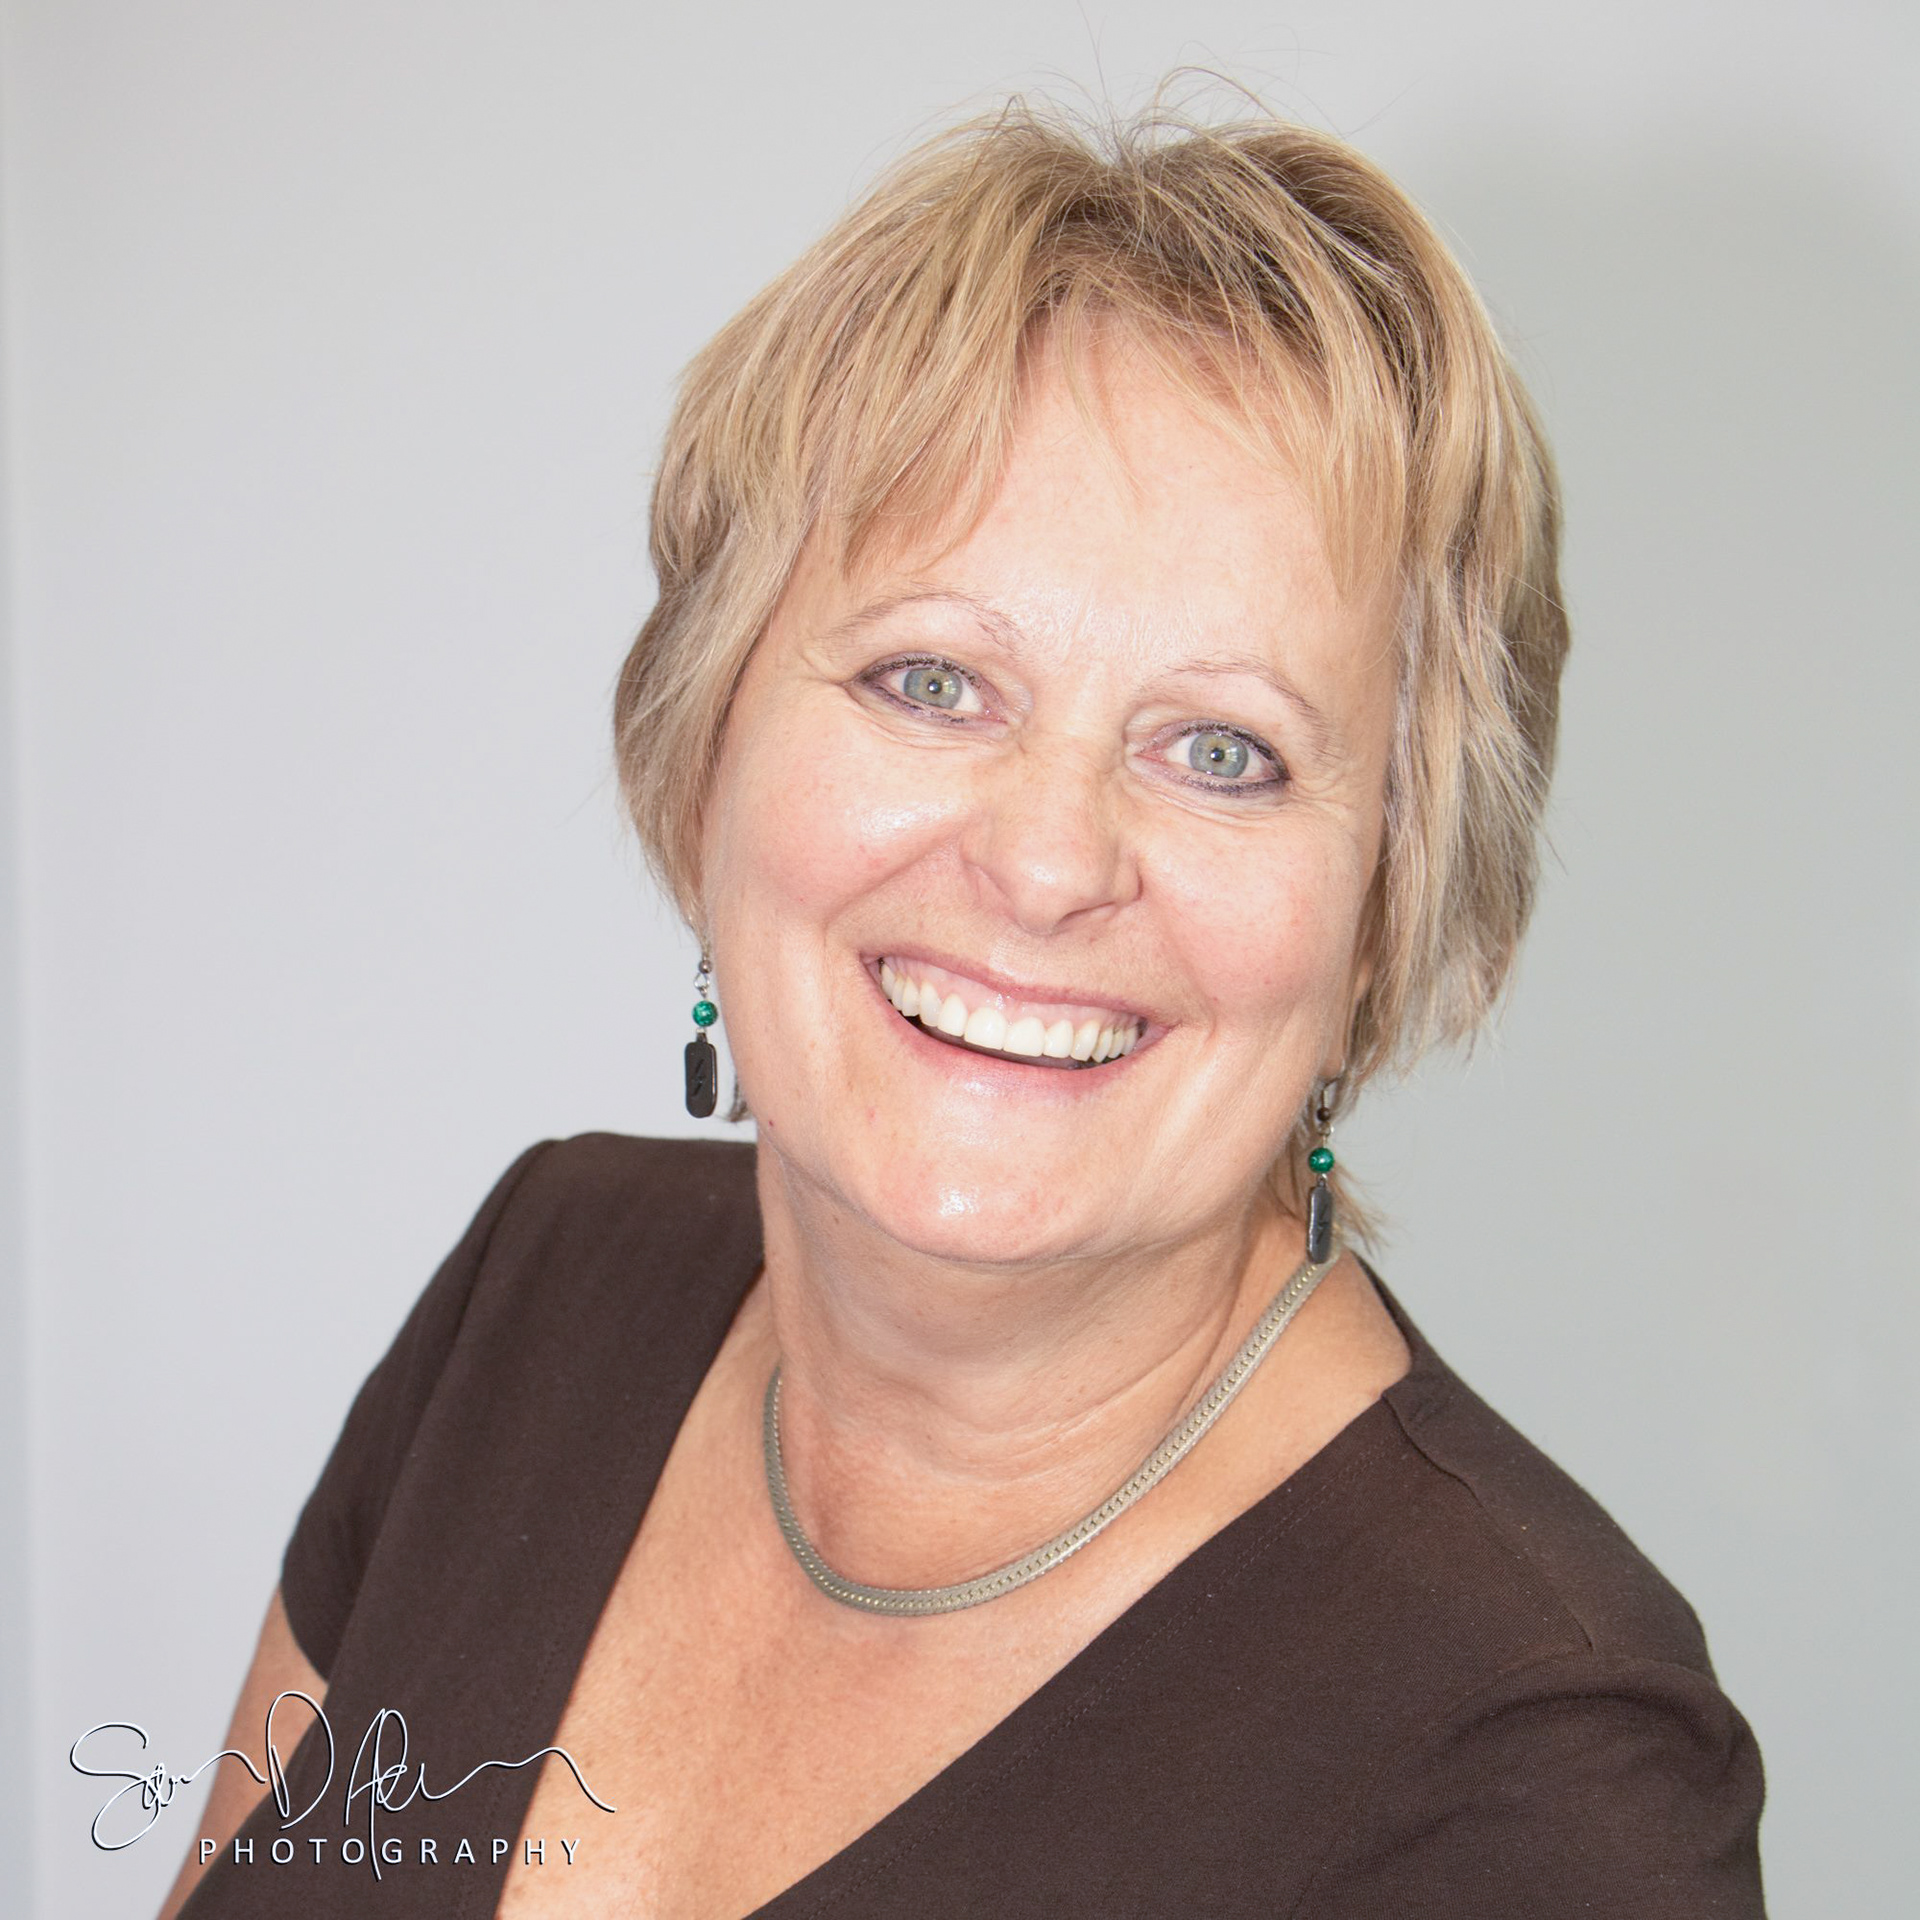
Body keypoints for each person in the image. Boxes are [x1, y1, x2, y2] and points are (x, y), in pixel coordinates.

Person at [163, 93, 1768, 1919]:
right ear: (705, 747)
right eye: (931, 679)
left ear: (1388, 916)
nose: (1047, 859)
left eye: (1224, 750)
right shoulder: (538, 1293)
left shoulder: (1541, 1775)